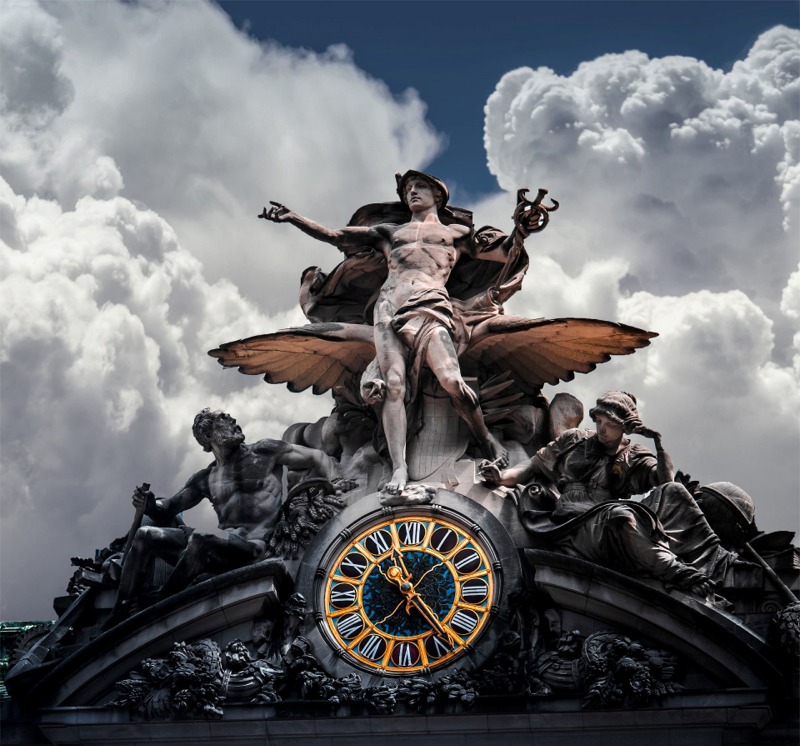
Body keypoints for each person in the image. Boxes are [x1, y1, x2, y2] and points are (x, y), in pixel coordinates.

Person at [263, 170, 541, 493]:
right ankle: (399, 467)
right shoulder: (389, 232)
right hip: (389, 308)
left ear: (438, 195)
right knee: (393, 385)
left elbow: (504, 252)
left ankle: (486, 438)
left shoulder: (456, 234)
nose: (412, 192)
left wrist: (521, 230)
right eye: (408, 188)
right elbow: (337, 236)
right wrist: (294, 218)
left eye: (419, 186)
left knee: (452, 380)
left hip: (430, 306)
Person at [480, 391, 739, 597]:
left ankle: (714, 561)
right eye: (599, 422)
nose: (602, 429)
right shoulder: (574, 439)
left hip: (606, 522)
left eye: (610, 425)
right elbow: (533, 465)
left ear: (626, 427)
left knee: (673, 492)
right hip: (571, 523)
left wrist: (658, 444)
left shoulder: (634, 455)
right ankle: (674, 570)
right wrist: (501, 477)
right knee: (622, 516)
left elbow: (665, 482)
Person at [117, 410, 338, 607]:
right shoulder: (205, 478)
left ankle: (162, 599)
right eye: (223, 419)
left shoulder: (264, 452)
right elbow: (168, 508)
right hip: (218, 550)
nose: (233, 420)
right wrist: (149, 504)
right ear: (207, 436)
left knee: (201, 539)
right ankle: (121, 610)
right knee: (145, 535)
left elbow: (316, 456)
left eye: (231, 418)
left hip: (255, 547)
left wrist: (336, 481)